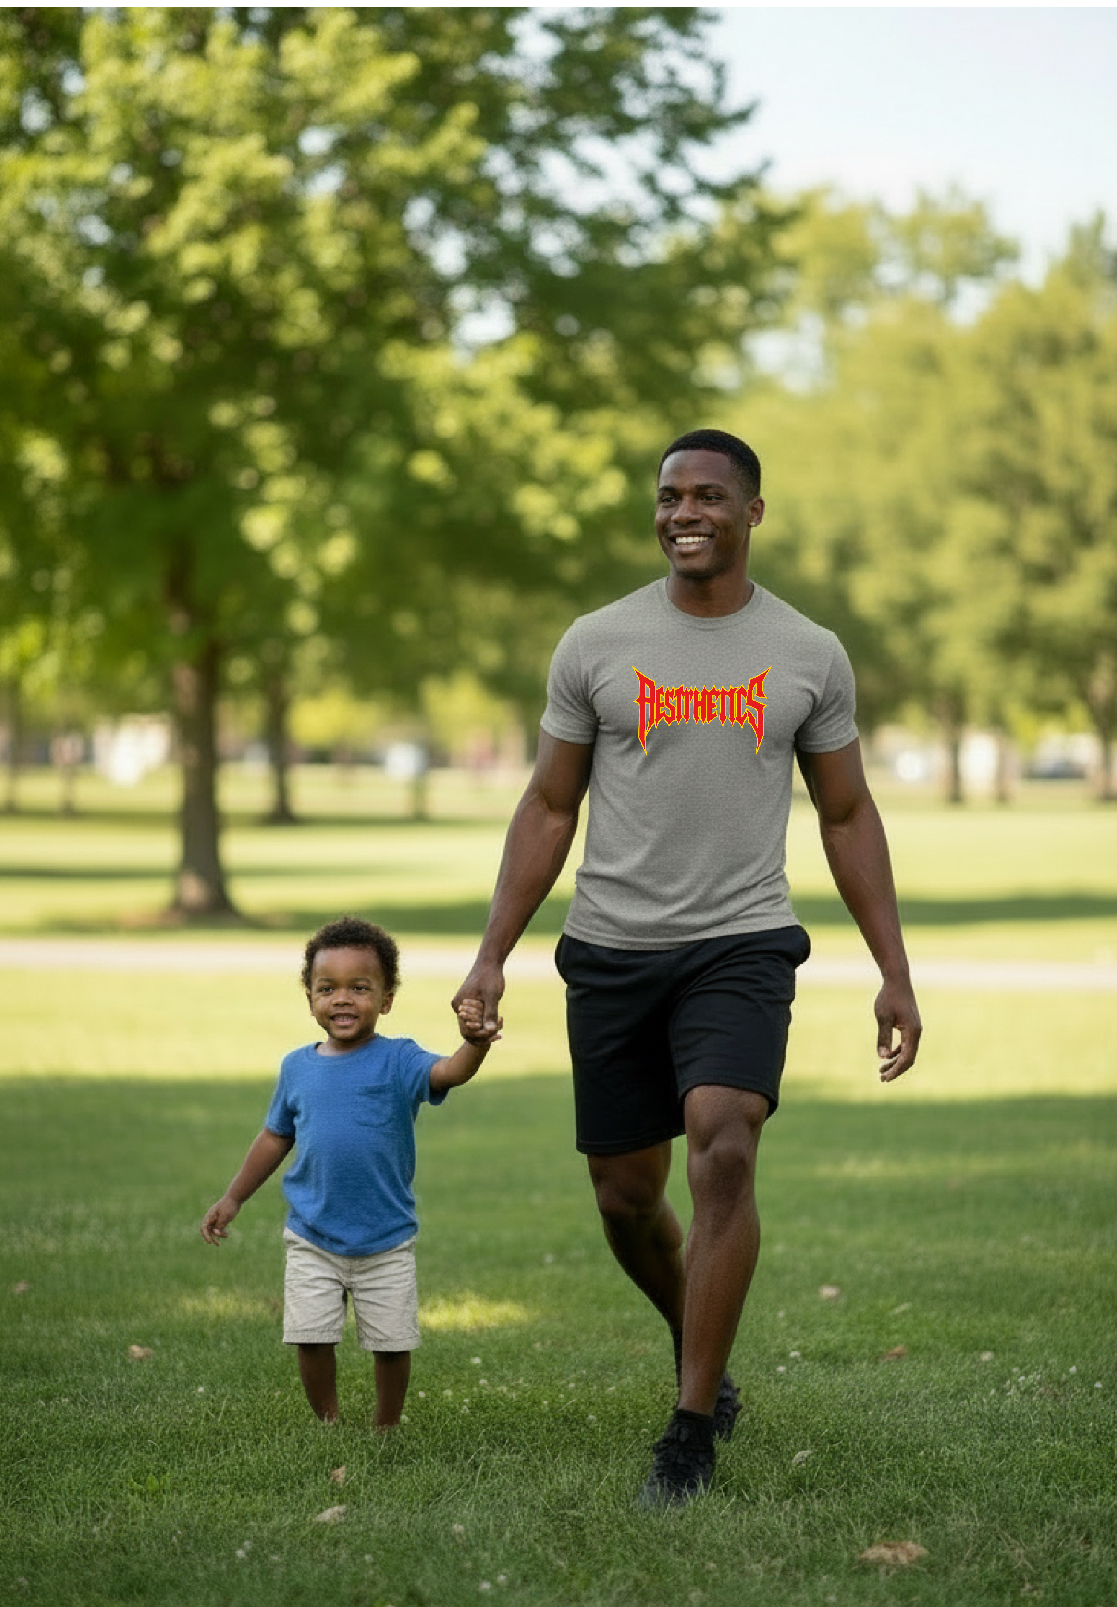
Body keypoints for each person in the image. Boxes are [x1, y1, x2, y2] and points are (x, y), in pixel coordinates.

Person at [452, 428, 921, 1507]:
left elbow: (845, 813)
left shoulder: (807, 651)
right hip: (612, 946)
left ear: (754, 511)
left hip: (741, 943)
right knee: (626, 1195)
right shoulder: (598, 642)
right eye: (669, 495)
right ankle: (695, 1337)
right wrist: (490, 952)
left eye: (709, 494)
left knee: (724, 1145)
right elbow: (549, 803)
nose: (683, 511)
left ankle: (691, 1425)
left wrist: (892, 968)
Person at [201, 915, 497, 1429]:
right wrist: (233, 1198)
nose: (342, 999)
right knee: (311, 1337)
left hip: (385, 1238)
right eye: (327, 988)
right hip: (312, 1234)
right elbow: (275, 1137)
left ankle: (386, 1426)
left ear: (385, 998)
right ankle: (329, 1422)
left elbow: (449, 1071)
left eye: (359, 988)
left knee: (392, 1342)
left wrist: (476, 1043)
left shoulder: (399, 1059)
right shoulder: (297, 1066)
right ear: (310, 997)